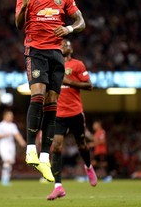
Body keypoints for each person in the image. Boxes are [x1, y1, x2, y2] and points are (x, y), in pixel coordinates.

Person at [15, 0, 86, 182]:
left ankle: (44, 156)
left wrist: (68, 30)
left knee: (52, 104)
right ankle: (30, 150)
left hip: (56, 54)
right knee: (38, 96)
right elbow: (18, 24)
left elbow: (81, 22)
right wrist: (24, 8)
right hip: (35, 51)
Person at [47, 39, 97, 200]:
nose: (62, 46)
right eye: (60, 45)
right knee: (56, 147)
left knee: (82, 145)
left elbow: (89, 86)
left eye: (66, 45)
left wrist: (69, 82)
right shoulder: (53, 65)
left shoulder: (77, 65)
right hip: (59, 114)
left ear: (71, 49)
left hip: (75, 113)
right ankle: (58, 186)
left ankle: (88, 166)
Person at [0, 109, 26, 186]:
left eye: (12, 116)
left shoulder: (13, 126)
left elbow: (17, 134)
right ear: (5, 116)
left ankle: (6, 179)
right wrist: (4, 135)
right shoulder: (0, 125)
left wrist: (22, 142)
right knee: (7, 161)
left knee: (9, 162)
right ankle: (4, 180)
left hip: (11, 146)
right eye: (10, 116)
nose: (11, 117)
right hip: (3, 145)